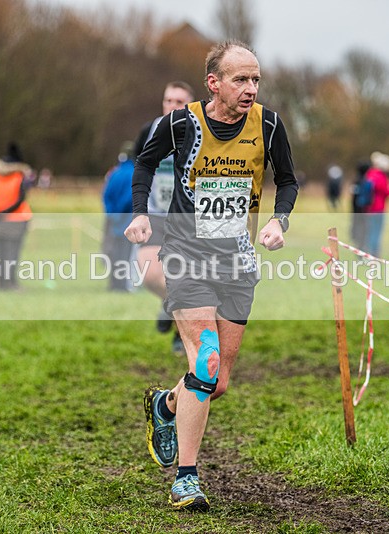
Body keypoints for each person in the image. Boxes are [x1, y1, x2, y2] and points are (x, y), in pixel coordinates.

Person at [124, 40, 298, 512]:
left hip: (238, 262)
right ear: (214, 83)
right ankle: (186, 479)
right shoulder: (182, 123)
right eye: (240, 79)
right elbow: (144, 161)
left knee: (217, 382)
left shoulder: (269, 123)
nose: (251, 88)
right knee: (205, 364)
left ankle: (165, 405)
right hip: (186, 257)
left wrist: (279, 220)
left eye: (256, 79)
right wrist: (141, 214)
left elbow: (289, 178)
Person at [133, 81, 195, 352]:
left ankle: (184, 332)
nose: (172, 106)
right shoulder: (150, 130)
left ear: (190, 106)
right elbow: (140, 167)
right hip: (157, 213)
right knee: (148, 272)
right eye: (168, 100)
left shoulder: (200, 132)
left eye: (179, 102)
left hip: (189, 217)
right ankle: (171, 305)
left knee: (186, 277)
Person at [0, 143, 33, 291]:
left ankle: (1, 283)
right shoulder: (19, 177)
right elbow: (20, 199)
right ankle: (10, 283)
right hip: (17, 219)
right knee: (12, 254)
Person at [102, 142, 136, 292]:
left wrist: (112, 214)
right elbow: (130, 197)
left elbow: (106, 196)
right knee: (126, 254)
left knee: (113, 252)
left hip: (113, 220)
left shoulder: (114, 173)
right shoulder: (134, 172)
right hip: (128, 219)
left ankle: (113, 283)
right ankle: (122, 285)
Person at [363, 151, 389, 257]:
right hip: (378, 209)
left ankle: (369, 253)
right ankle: (374, 255)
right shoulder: (380, 176)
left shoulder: (369, 174)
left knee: (370, 232)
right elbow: (386, 191)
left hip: (369, 208)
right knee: (376, 233)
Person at [350, 160, 371, 251]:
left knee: (357, 228)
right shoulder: (366, 181)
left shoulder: (356, 181)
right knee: (363, 230)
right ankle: (361, 247)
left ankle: (359, 246)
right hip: (363, 209)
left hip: (356, 209)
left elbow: (353, 195)